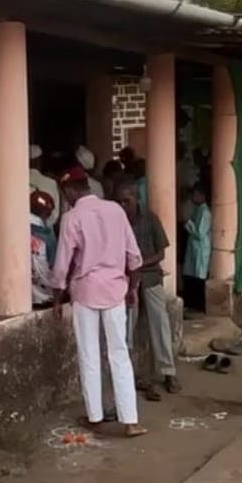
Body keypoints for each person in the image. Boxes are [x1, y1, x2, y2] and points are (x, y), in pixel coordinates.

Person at [50, 166, 147, 438]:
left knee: (89, 354)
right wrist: (133, 288)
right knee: (119, 353)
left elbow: (61, 265)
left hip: (86, 292)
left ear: (70, 191)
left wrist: (57, 298)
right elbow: (134, 256)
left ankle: (95, 416)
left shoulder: (72, 218)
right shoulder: (116, 210)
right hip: (116, 290)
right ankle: (131, 421)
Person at [117, 180, 178, 398]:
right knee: (127, 328)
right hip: (128, 280)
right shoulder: (118, 221)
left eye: (127, 201)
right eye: (120, 201)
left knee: (160, 323)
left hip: (150, 276)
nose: (124, 205)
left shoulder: (150, 219)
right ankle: (129, 374)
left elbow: (161, 254)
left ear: (136, 198)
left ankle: (168, 372)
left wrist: (140, 264)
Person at [182, 183, 212, 312]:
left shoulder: (205, 212)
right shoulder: (198, 209)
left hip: (200, 249)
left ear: (201, 195)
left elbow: (200, 233)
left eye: (195, 195)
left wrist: (187, 223)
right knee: (192, 276)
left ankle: (199, 305)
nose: (193, 197)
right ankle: (192, 304)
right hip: (195, 249)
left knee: (199, 277)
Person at [29, 188, 57, 306]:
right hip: (46, 294)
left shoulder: (16, 227)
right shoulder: (48, 234)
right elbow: (53, 262)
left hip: (25, 295)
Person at [28, 144, 61, 224]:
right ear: (40, 161)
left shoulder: (16, 182)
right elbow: (55, 215)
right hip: (44, 230)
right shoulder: (51, 183)